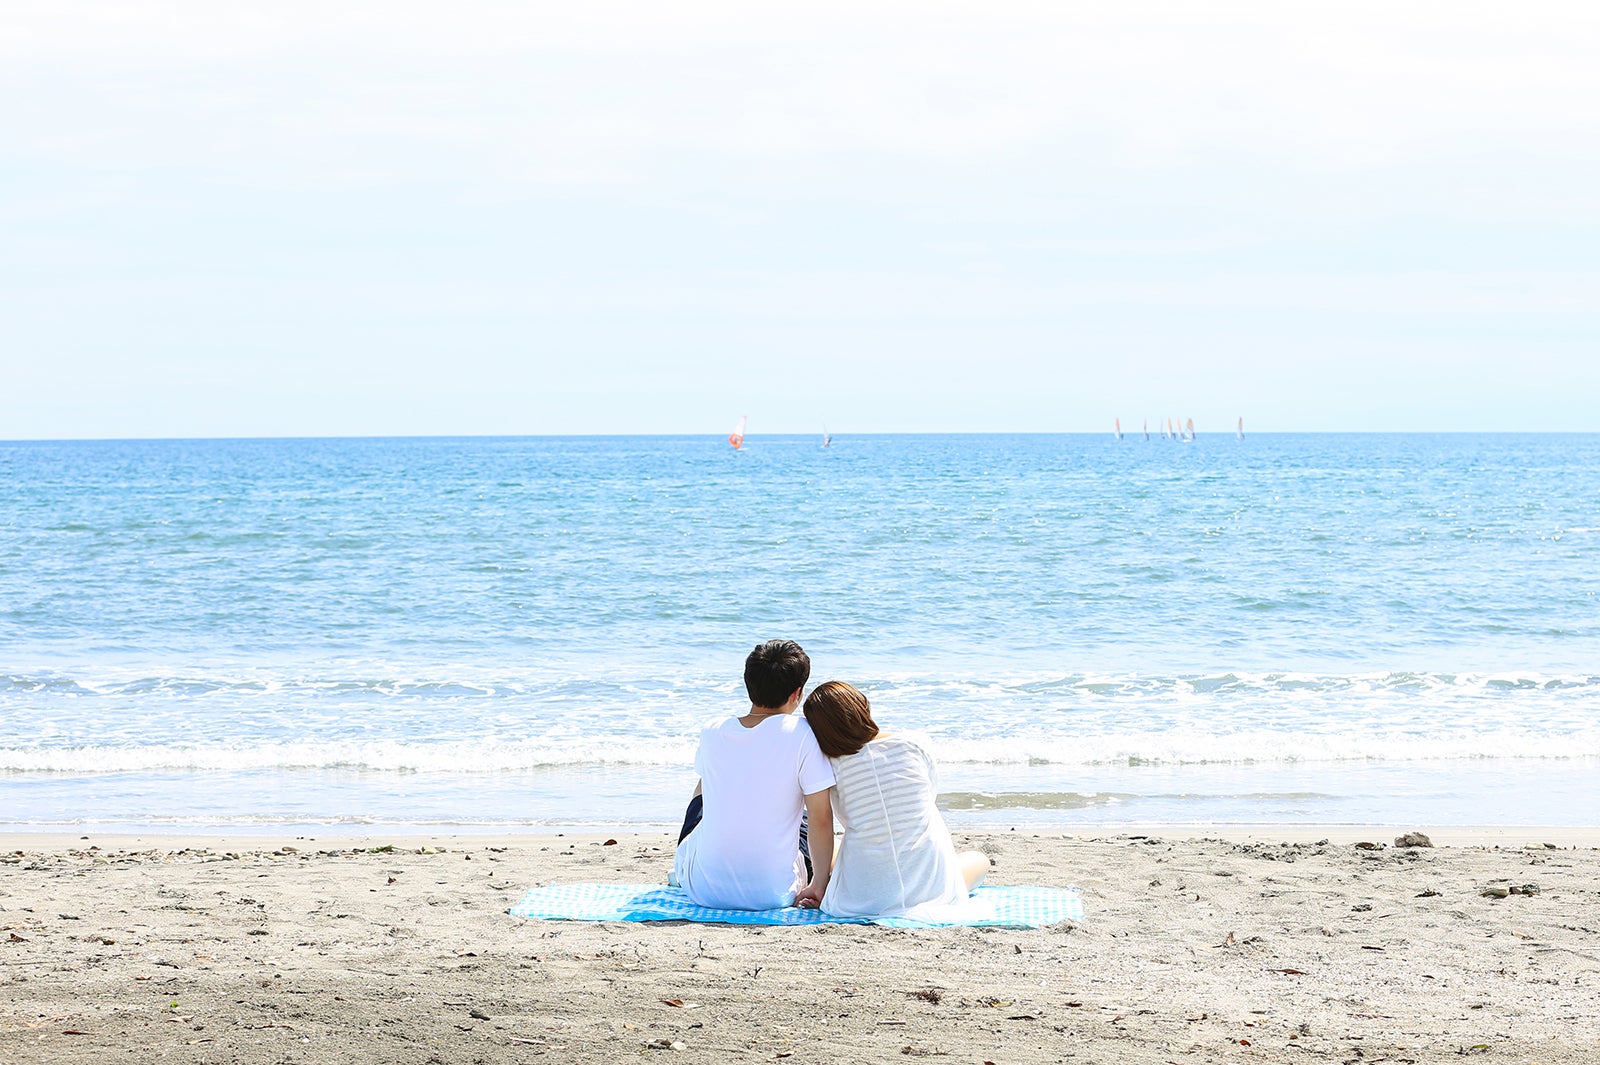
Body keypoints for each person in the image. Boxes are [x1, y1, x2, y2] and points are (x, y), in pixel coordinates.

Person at [800, 680, 990, 920]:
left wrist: (819, 884)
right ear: (863, 705)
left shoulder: (830, 764)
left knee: (841, 846)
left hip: (861, 896)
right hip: (927, 882)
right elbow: (928, 797)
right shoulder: (914, 744)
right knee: (979, 859)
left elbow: (824, 822)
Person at [671, 640, 835, 910]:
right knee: (807, 818)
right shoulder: (803, 733)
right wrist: (819, 885)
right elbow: (822, 818)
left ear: (749, 685)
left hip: (704, 890)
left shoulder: (713, 729)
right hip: (773, 894)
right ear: (797, 693)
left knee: (704, 785)